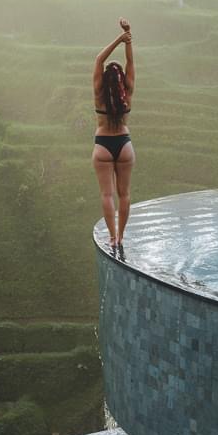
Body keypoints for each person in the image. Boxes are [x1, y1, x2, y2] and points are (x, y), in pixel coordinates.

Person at [92, 17, 134, 259]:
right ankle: (121, 236)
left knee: (107, 195)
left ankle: (111, 237)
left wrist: (119, 39)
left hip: (103, 146)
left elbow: (99, 59)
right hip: (124, 145)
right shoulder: (127, 93)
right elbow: (130, 62)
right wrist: (129, 37)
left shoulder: (99, 94)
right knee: (124, 194)